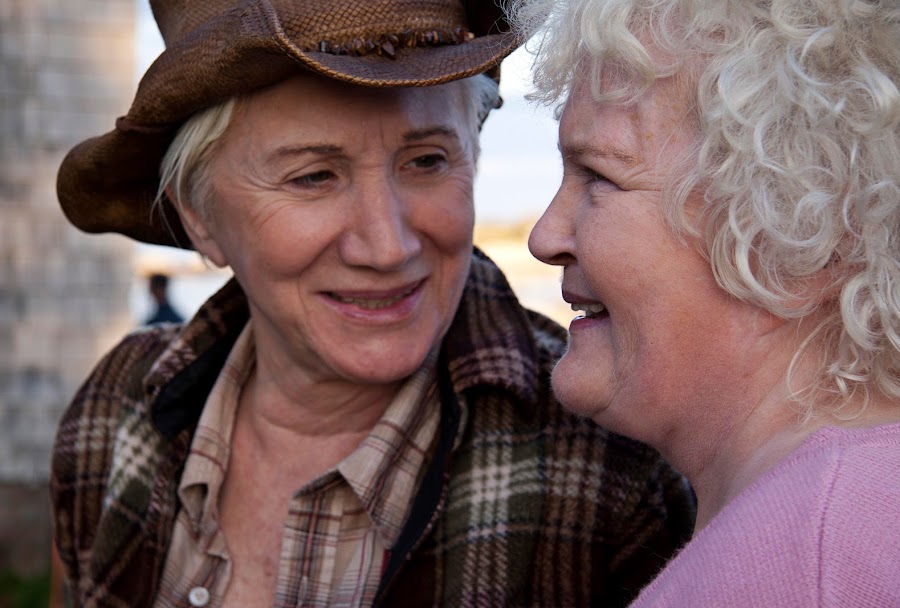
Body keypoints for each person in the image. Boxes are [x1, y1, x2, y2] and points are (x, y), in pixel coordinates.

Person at [50, 1, 695, 606]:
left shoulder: (609, 476)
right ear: (201, 219)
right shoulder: (115, 411)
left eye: (426, 161)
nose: (387, 246)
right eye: (314, 177)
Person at [510, 0, 900, 605]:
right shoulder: (866, 503)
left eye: (599, 177)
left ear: (798, 231)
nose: (545, 235)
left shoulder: (804, 560)